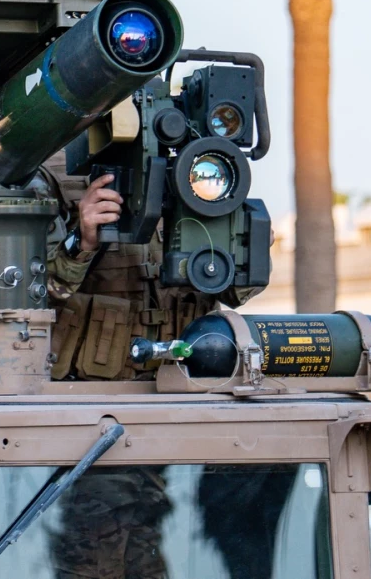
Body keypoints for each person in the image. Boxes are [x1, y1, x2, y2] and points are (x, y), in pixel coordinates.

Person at [35, 150, 264, 579]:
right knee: (97, 549)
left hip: (183, 407)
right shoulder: (56, 170)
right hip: (95, 415)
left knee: (149, 551)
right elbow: (27, 290)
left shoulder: (203, 165)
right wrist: (81, 237)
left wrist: (248, 248)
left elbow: (235, 289)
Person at [38, 150, 261, 381]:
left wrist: (249, 256)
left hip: (190, 378)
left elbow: (237, 294)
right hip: (89, 385)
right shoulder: (51, 172)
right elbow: (31, 295)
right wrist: (82, 242)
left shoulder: (206, 165)